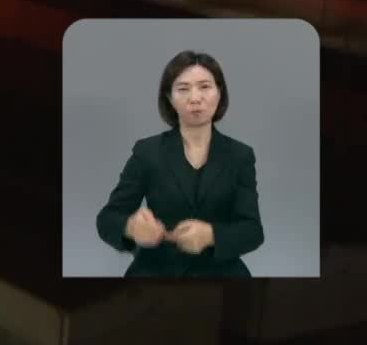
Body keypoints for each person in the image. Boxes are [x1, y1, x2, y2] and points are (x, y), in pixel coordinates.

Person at [95, 50, 264, 277]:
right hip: (155, 271)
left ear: (220, 92)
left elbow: (252, 231)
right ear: (169, 98)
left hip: (222, 274)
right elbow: (107, 219)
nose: (195, 98)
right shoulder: (148, 151)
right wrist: (131, 228)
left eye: (205, 86)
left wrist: (211, 235)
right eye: (183, 89)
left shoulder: (240, 155)